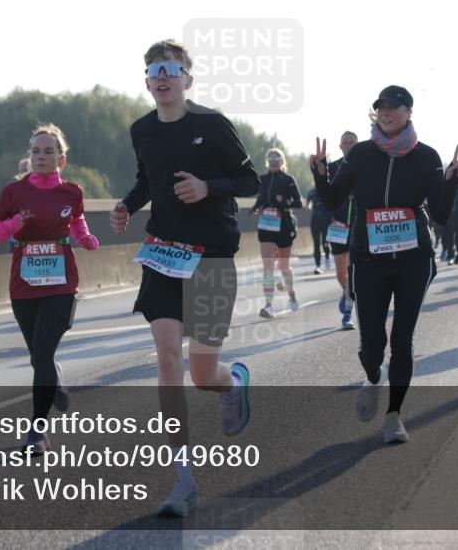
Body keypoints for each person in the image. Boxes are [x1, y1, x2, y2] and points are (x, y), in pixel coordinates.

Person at [109, 39, 259, 517]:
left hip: (212, 255)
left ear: (187, 80)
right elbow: (146, 181)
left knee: (201, 374)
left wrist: (207, 187)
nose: (162, 76)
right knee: (168, 359)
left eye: (171, 69)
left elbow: (251, 182)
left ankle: (231, 383)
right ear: (147, 80)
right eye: (154, 69)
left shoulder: (211, 125)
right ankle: (184, 480)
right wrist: (126, 206)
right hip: (163, 254)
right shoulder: (142, 130)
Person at [310, 85, 458, 444]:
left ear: (409, 112)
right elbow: (333, 199)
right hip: (368, 260)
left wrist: (453, 181)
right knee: (371, 344)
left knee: (402, 339)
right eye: (381, 107)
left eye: (394, 107)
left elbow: (441, 214)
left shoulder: (427, 157)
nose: (386, 112)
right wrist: (320, 174)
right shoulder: (361, 154)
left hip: (413, 261)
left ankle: (395, 416)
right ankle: (372, 376)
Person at [0, 124, 99, 454]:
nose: (40, 157)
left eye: (48, 152)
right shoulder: (13, 192)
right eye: (35, 151)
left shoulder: (72, 192)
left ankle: (36, 432)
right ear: (29, 155)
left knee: (43, 353)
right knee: (38, 357)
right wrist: (11, 225)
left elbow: (76, 220)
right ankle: (53, 377)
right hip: (24, 284)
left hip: (62, 282)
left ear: (60, 160)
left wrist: (83, 237)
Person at [251, 148, 303, 318]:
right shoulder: (263, 179)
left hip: (284, 226)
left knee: (283, 266)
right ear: (267, 161)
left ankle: (291, 293)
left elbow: (298, 202)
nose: (273, 160)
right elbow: (260, 198)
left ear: (282, 161)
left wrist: (285, 202)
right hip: (266, 225)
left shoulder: (288, 180)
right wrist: (255, 208)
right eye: (271, 158)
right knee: (267, 267)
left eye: (277, 158)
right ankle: (268, 306)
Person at [327, 130, 360, 330]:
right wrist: (329, 216)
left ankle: (347, 314)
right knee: (341, 274)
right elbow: (321, 196)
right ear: (340, 146)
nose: (348, 146)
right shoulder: (331, 168)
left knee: (352, 270)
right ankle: (347, 291)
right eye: (345, 143)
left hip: (359, 226)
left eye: (352, 143)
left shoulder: (365, 166)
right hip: (337, 227)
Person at [305, 188, 332, 275]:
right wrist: (309, 206)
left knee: (325, 241)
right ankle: (318, 265)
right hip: (315, 220)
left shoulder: (327, 190)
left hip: (325, 220)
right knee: (316, 243)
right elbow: (308, 204)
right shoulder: (311, 192)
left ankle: (327, 256)